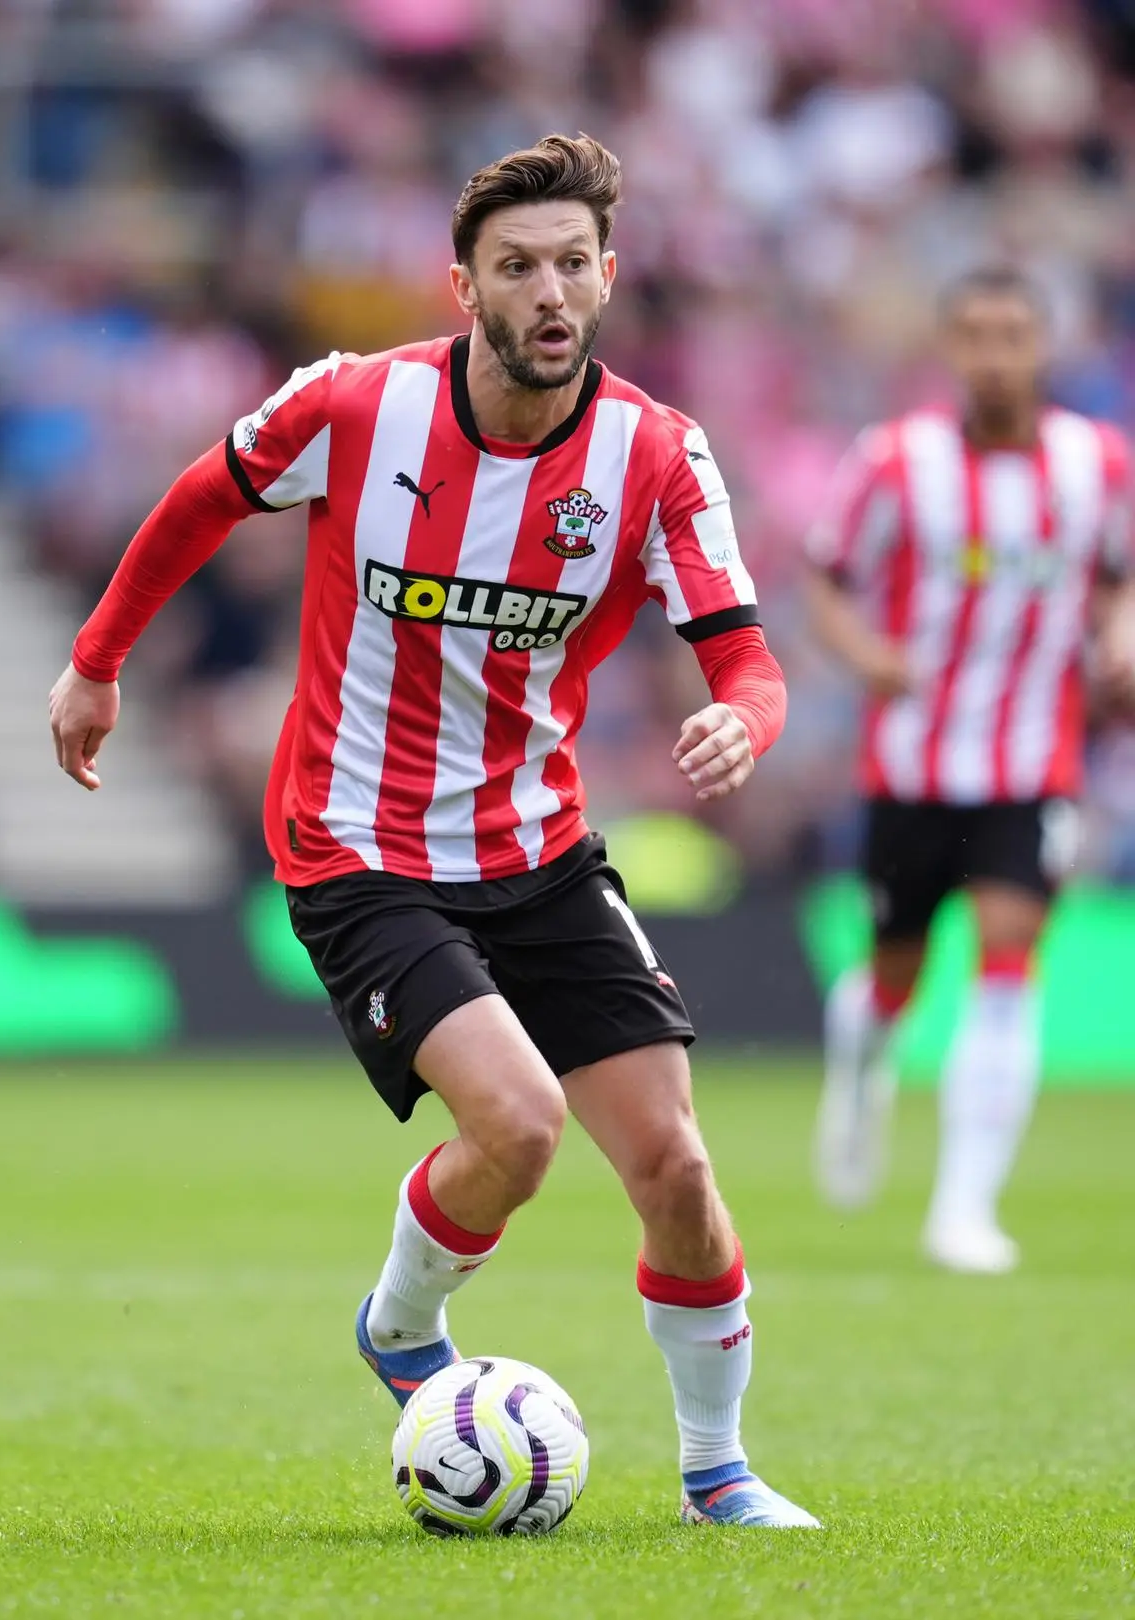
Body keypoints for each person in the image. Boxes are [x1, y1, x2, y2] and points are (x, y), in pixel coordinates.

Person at [48, 134, 817, 1528]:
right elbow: (200, 497)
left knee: (679, 1168)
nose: (550, 294)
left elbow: (747, 659)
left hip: (539, 847)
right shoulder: (357, 407)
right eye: (517, 267)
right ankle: (403, 1332)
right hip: (359, 845)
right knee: (517, 1129)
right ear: (462, 285)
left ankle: (718, 1474)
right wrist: (99, 659)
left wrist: (745, 723)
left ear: (608, 278)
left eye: (573, 266)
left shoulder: (654, 454)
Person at [807, 266, 1135, 1274]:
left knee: (1005, 962)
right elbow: (824, 575)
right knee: (894, 979)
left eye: (1011, 335)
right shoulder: (893, 462)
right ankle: (860, 1054)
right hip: (908, 764)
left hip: (1031, 762)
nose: (993, 355)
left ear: (1041, 347)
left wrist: (1120, 639)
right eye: (973, 335)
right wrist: (863, 655)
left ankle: (962, 1208)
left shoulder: (1098, 465)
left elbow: (1118, 579)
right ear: (947, 349)